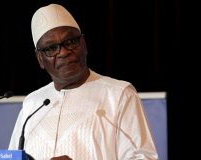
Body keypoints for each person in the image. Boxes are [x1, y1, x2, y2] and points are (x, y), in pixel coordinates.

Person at [9, 3, 158, 160]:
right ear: (40, 59)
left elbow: (144, 157)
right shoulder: (32, 103)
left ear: (84, 44)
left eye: (70, 42)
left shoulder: (119, 94)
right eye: (51, 48)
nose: (64, 52)